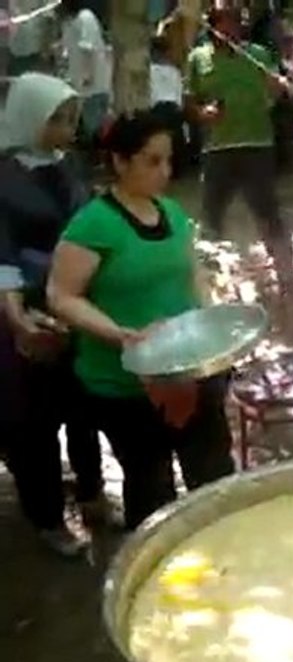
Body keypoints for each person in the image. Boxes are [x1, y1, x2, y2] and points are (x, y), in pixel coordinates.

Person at [46, 110, 235, 530]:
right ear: (119, 161)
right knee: (152, 491)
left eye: (169, 160)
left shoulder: (171, 212)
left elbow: (194, 275)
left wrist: (212, 325)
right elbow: (61, 296)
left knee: (213, 476)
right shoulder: (93, 224)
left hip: (190, 370)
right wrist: (120, 334)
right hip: (126, 386)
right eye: (152, 161)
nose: (165, 171)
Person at [0, 73, 104, 556]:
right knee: (33, 422)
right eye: (56, 119)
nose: (66, 129)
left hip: (80, 304)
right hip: (28, 311)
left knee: (84, 408)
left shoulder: (71, 166)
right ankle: (47, 518)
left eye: (70, 118)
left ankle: (92, 494)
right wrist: (18, 316)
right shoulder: (4, 176)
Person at [185, 7, 293, 298]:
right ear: (212, 25)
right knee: (211, 217)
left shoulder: (259, 55)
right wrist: (202, 112)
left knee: (269, 213)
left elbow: (277, 93)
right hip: (217, 148)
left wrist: (278, 88)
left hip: (257, 144)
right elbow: (189, 103)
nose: (233, 27)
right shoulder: (198, 58)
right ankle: (208, 283)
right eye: (227, 20)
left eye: (238, 21)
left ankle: (287, 278)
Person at [58, 0, 112, 149]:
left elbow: (87, 47)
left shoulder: (85, 18)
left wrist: (88, 75)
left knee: (94, 125)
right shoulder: (69, 22)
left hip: (93, 84)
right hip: (80, 84)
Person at [149, 36, 191, 179]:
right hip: (173, 110)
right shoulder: (174, 71)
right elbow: (179, 93)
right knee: (175, 142)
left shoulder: (149, 71)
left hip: (157, 110)